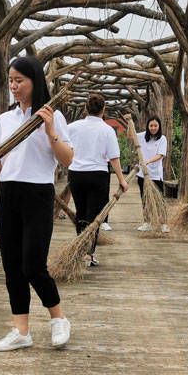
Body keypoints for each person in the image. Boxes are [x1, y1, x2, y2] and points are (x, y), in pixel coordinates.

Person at [0, 56, 74, 352]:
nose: (14, 87)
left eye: (20, 81)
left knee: (32, 264)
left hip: (38, 194)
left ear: (35, 81)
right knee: (12, 267)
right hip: (9, 194)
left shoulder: (52, 116)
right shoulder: (6, 119)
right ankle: (21, 331)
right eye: (11, 81)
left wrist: (49, 130)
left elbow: (67, 159)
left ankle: (58, 318)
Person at [67, 94, 129, 267]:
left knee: (80, 212)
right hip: (97, 175)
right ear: (103, 110)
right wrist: (122, 180)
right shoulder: (107, 130)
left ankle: (80, 249)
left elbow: (61, 145)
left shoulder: (73, 127)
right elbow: (114, 158)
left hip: (76, 174)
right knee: (93, 216)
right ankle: (88, 253)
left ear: (85, 109)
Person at [135, 115, 169, 233]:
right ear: (148, 126)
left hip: (155, 174)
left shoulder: (162, 139)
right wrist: (128, 122)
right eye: (151, 126)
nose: (153, 128)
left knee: (159, 199)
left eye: (155, 125)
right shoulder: (142, 136)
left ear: (159, 126)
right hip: (142, 174)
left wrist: (148, 161)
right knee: (145, 198)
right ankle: (147, 222)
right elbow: (131, 136)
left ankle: (163, 223)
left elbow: (160, 155)